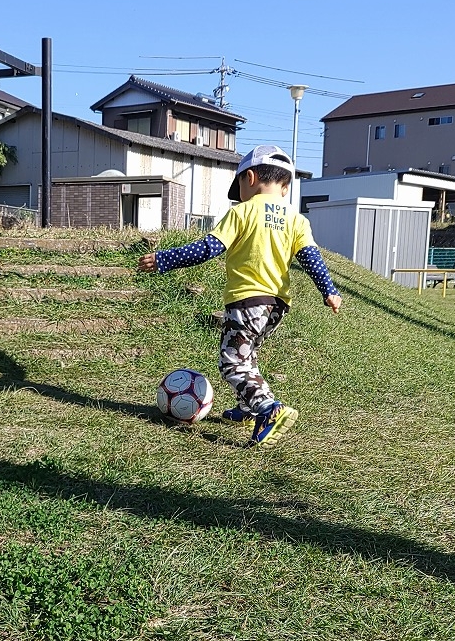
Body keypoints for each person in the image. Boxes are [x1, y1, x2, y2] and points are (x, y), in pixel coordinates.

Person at [137, 144, 342, 447]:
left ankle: (268, 409)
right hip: (278, 306)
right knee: (249, 357)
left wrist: (165, 260)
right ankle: (247, 409)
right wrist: (330, 291)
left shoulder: (242, 212)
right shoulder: (297, 220)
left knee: (232, 362)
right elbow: (311, 258)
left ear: (249, 178)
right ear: (285, 188)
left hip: (247, 300)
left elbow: (208, 248)